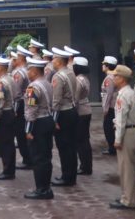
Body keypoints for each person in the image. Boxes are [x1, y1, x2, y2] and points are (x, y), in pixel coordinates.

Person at [23, 57, 55, 200]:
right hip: (48, 120)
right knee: (46, 156)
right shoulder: (47, 83)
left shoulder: (33, 87)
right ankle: (46, 187)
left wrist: (28, 130)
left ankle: (41, 189)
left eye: (29, 69)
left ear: (34, 71)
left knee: (38, 157)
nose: (27, 72)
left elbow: (31, 110)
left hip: (38, 123)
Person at [109, 65, 135, 210]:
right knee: (129, 168)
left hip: (126, 132)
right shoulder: (130, 92)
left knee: (126, 169)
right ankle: (128, 197)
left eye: (115, 76)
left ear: (121, 78)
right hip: (132, 131)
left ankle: (128, 200)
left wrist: (117, 139)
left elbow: (121, 120)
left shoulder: (123, 95)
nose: (113, 78)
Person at [50, 47, 78, 187]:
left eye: (54, 58)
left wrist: (53, 120)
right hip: (72, 110)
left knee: (64, 147)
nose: (52, 61)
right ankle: (71, 175)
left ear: (59, 61)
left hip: (63, 113)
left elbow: (56, 100)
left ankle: (66, 177)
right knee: (71, 146)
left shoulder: (58, 76)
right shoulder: (71, 72)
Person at [0, 55, 16, 180]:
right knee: (9, 143)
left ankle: (7, 171)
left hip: (4, 114)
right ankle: (10, 169)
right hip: (10, 112)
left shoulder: (1, 83)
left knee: (5, 144)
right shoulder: (10, 79)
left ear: (1, 67)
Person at [11, 48, 33, 170]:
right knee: (24, 132)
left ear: (21, 58)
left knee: (20, 133)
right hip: (27, 103)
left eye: (17, 57)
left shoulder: (19, 73)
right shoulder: (28, 70)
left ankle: (27, 159)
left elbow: (16, 94)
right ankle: (28, 158)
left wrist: (14, 110)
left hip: (20, 105)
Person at [73, 57, 92, 175]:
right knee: (84, 140)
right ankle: (86, 165)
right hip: (85, 110)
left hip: (81, 111)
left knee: (81, 141)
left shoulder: (78, 80)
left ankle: (85, 166)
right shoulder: (84, 78)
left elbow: (75, 99)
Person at [101, 56, 118, 155]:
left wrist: (105, 109)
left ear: (107, 66)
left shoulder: (109, 78)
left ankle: (112, 148)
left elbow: (108, 95)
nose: (102, 66)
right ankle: (112, 147)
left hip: (111, 106)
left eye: (104, 64)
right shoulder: (113, 76)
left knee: (108, 128)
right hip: (113, 106)